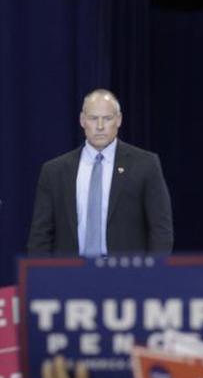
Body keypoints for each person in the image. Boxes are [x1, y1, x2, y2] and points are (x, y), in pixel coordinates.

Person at [26, 89, 173, 257]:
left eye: (107, 118)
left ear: (119, 120)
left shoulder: (145, 165)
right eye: (93, 118)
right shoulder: (54, 171)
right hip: (69, 276)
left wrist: (153, 276)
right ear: (82, 120)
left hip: (127, 276)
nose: (100, 126)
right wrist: (43, 279)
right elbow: (40, 235)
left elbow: (161, 229)